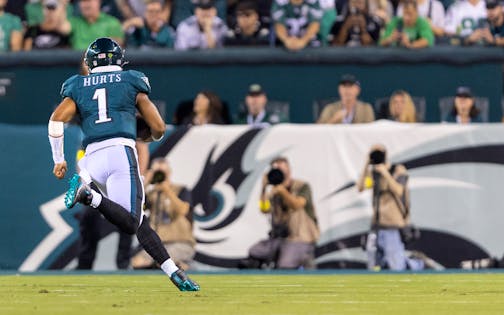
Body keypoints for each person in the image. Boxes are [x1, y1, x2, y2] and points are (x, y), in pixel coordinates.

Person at [48, 37, 199, 291]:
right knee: (131, 222)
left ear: (90, 62)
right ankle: (90, 197)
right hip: (120, 153)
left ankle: (174, 272)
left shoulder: (77, 85)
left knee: (138, 221)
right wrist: (148, 137)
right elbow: (159, 127)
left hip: (91, 157)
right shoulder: (131, 80)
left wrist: (58, 158)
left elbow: (55, 121)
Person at [241, 156, 319, 269]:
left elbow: (296, 205)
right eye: (276, 169)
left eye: (282, 168)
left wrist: (283, 192)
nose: (280, 172)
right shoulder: (274, 191)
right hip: (278, 238)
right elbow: (264, 209)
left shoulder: (302, 186)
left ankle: (305, 262)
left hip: (300, 238)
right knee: (255, 252)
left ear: (289, 169)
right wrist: (263, 188)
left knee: (284, 265)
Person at [357, 144, 424, 271]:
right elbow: (360, 188)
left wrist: (385, 172)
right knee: (373, 263)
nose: (377, 156)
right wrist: (366, 163)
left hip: (393, 225)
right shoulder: (374, 173)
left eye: (379, 153)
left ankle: (417, 264)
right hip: (376, 225)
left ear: (385, 154)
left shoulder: (398, 169)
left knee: (396, 266)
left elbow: (399, 190)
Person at [132, 158, 196, 271]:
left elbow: (184, 211)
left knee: (164, 263)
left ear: (169, 173)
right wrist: (145, 183)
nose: (160, 176)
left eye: (163, 173)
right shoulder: (151, 194)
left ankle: (184, 267)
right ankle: (178, 266)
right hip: (158, 244)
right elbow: (136, 207)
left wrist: (167, 190)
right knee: (137, 262)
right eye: (157, 173)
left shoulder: (181, 190)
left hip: (180, 242)